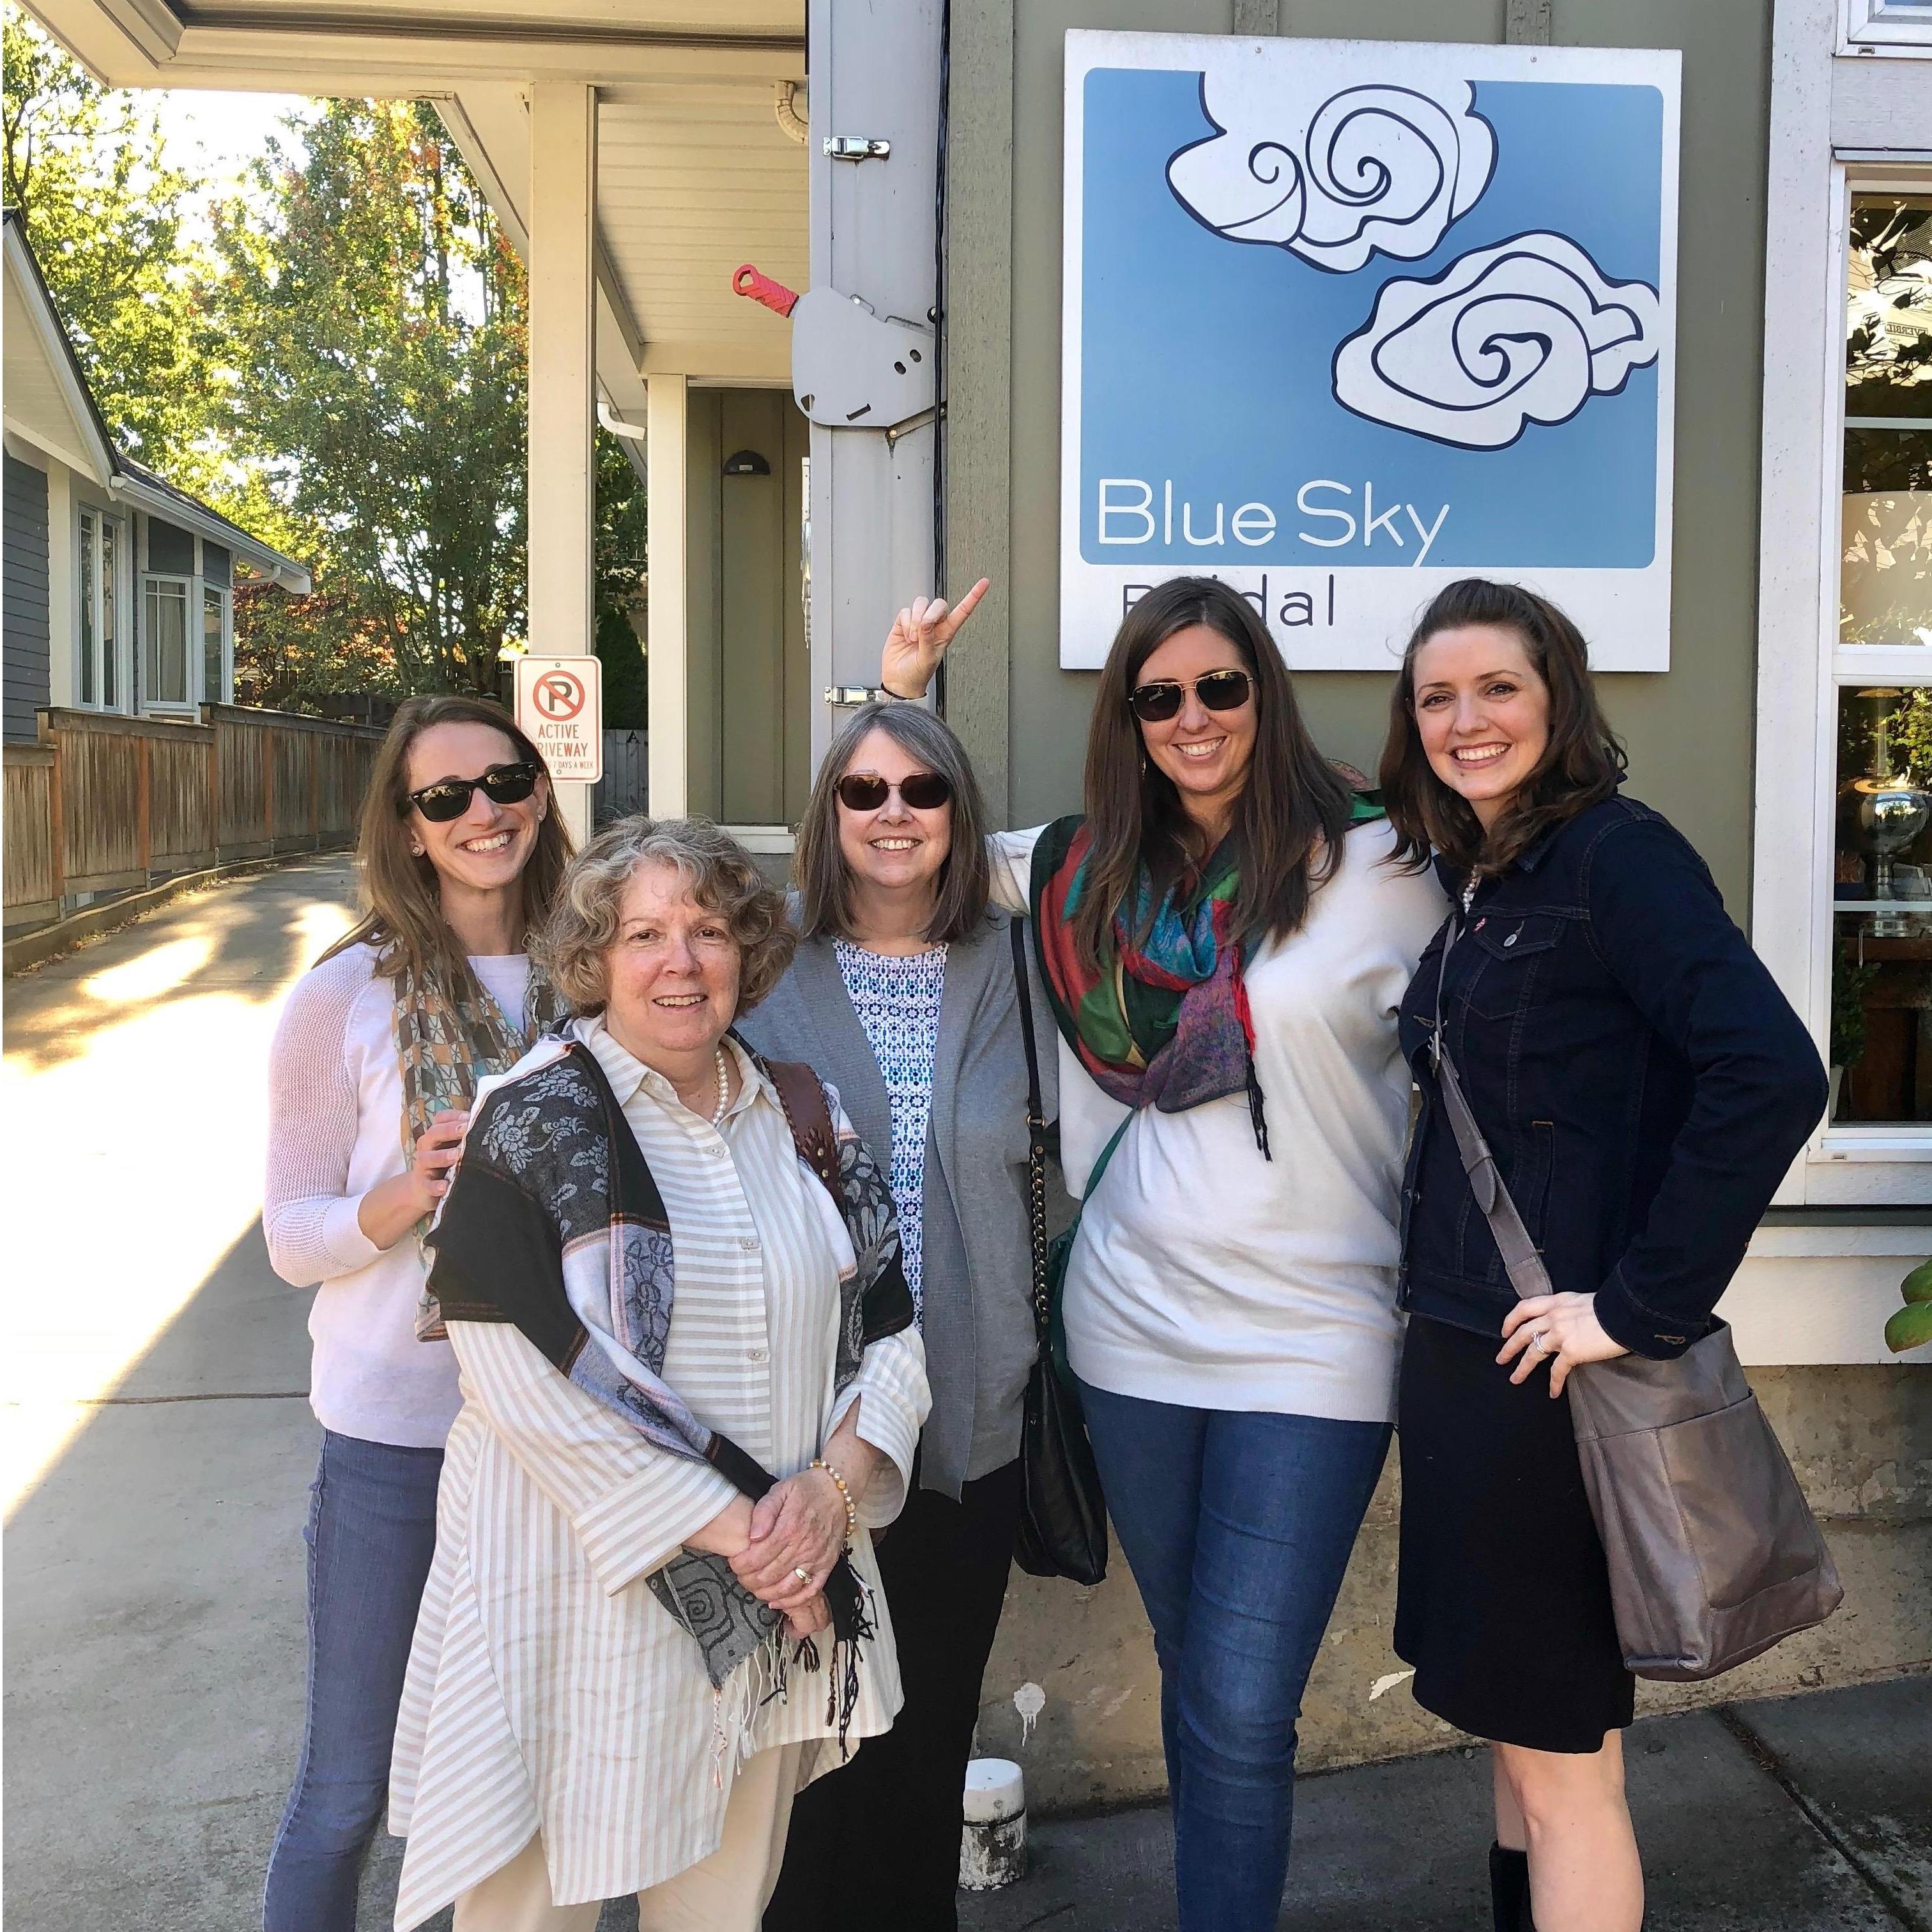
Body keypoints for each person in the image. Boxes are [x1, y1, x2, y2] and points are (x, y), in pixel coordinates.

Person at [879, 574, 1447, 1932]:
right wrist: (896, 695)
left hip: (1318, 1339)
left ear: (1264, 693)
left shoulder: (1388, 863)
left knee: (1242, 1709)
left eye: (1220, 687)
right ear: (1128, 719)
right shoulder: (1074, 871)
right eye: (1159, 697)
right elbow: (900, 842)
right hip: (1130, 1336)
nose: (1193, 718)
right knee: (1199, 1675)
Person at [387, 816, 932, 1932]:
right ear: (594, 959)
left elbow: (892, 1333)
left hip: (766, 1615)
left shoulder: (802, 1113)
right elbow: (516, 1385)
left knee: (721, 1914)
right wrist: (756, 1541)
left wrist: (828, 1497)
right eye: (643, 935)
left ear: (746, 952)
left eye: (708, 931)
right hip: (572, 1610)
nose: (680, 962)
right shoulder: (529, 1118)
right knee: (526, 1916)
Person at [1379, 578, 1827, 1932]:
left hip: (1554, 1384)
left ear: (1558, 697)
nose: (1466, 721)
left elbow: (1771, 1074)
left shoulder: (1617, 859)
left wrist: (1635, 1307)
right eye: (1437, 697)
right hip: (1469, 1360)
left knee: (1564, 1762)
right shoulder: (1480, 872)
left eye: (1498, 688)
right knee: (1520, 1735)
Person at [735, 702, 1055, 1932]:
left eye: (924, 791)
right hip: (809, 1432)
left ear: (961, 816)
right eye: (863, 791)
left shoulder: (1019, 966)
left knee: (924, 1748)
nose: (893, 813)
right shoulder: (763, 969)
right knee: (808, 1763)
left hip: (972, 1420)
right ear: (828, 813)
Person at [261, 694, 572, 1931]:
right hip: (395, 1442)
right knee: (348, 1788)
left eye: (504, 782)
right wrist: (402, 1196)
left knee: (505, 1784)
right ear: (408, 825)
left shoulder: (597, 972)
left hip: (557, 1433)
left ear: (539, 793)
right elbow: (292, 1236)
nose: (482, 812)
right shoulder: (344, 995)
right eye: (445, 797)